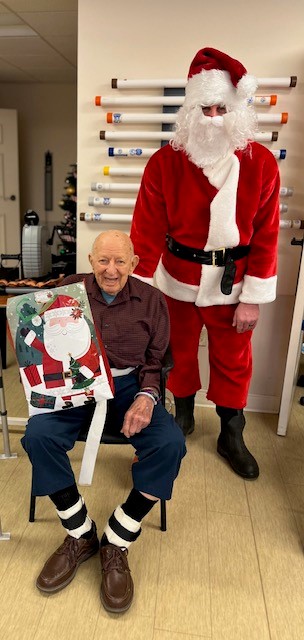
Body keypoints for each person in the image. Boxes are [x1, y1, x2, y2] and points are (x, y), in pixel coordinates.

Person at [130, 47, 280, 480]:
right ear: (190, 110)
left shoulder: (262, 164)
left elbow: (267, 235)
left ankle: (231, 432)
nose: (213, 117)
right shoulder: (164, 162)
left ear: (235, 110)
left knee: (234, 358)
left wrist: (253, 297)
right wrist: (141, 288)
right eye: (205, 108)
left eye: (221, 108)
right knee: (176, 352)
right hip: (176, 277)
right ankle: (183, 415)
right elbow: (146, 227)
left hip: (233, 283)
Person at [21, 230, 186, 613]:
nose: (111, 270)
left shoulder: (151, 300)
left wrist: (146, 397)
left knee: (170, 444)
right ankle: (79, 533)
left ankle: (118, 536)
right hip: (78, 382)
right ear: (91, 261)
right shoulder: (68, 290)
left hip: (129, 385)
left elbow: (155, 360)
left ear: (134, 263)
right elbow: (35, 335)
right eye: (102, 261)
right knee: (38, 435)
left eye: (119, 261)